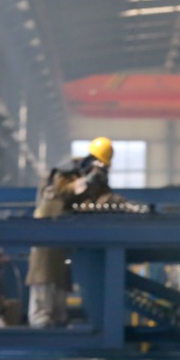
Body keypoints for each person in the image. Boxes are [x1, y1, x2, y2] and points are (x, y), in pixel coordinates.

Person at [26, 137, 122, 328]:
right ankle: (40, 316)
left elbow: (102, 198)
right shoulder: (67, 171)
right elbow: (62, 193)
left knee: (62, 273)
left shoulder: (96, 177)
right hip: (48, 226)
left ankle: (58, 315)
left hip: (67, 231)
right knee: (44, 271)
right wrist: (86, 182)